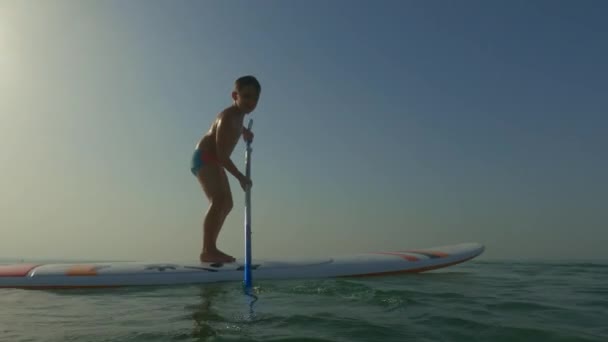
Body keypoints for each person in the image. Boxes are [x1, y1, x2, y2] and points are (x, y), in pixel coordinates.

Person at [190, 75, 260, 263]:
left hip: (214, 160)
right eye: (246, 96)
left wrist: (245, 132)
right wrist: (240, 177)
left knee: (227, 203)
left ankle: (211, 247)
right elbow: (221, 155)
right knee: (219, 199)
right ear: (234, 95)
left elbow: (236, 128)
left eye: (255, 98)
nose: (250, 102)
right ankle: (208, 250)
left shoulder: (238, 118)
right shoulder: (228, 117)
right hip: (206, 157)